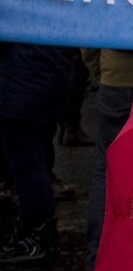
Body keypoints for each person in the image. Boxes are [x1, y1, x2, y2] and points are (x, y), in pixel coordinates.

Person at [82, 46, 133, 270]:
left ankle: (98, 257)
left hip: (114, 77)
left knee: (107, 171)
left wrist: (103, 71)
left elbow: (89, 34)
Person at [0, 43, 74, 263]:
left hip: (21, 84)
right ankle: (40, 231)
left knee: (27, 167)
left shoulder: (16, 13)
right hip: (44, 79)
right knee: (33, 163)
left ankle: (35, 236)